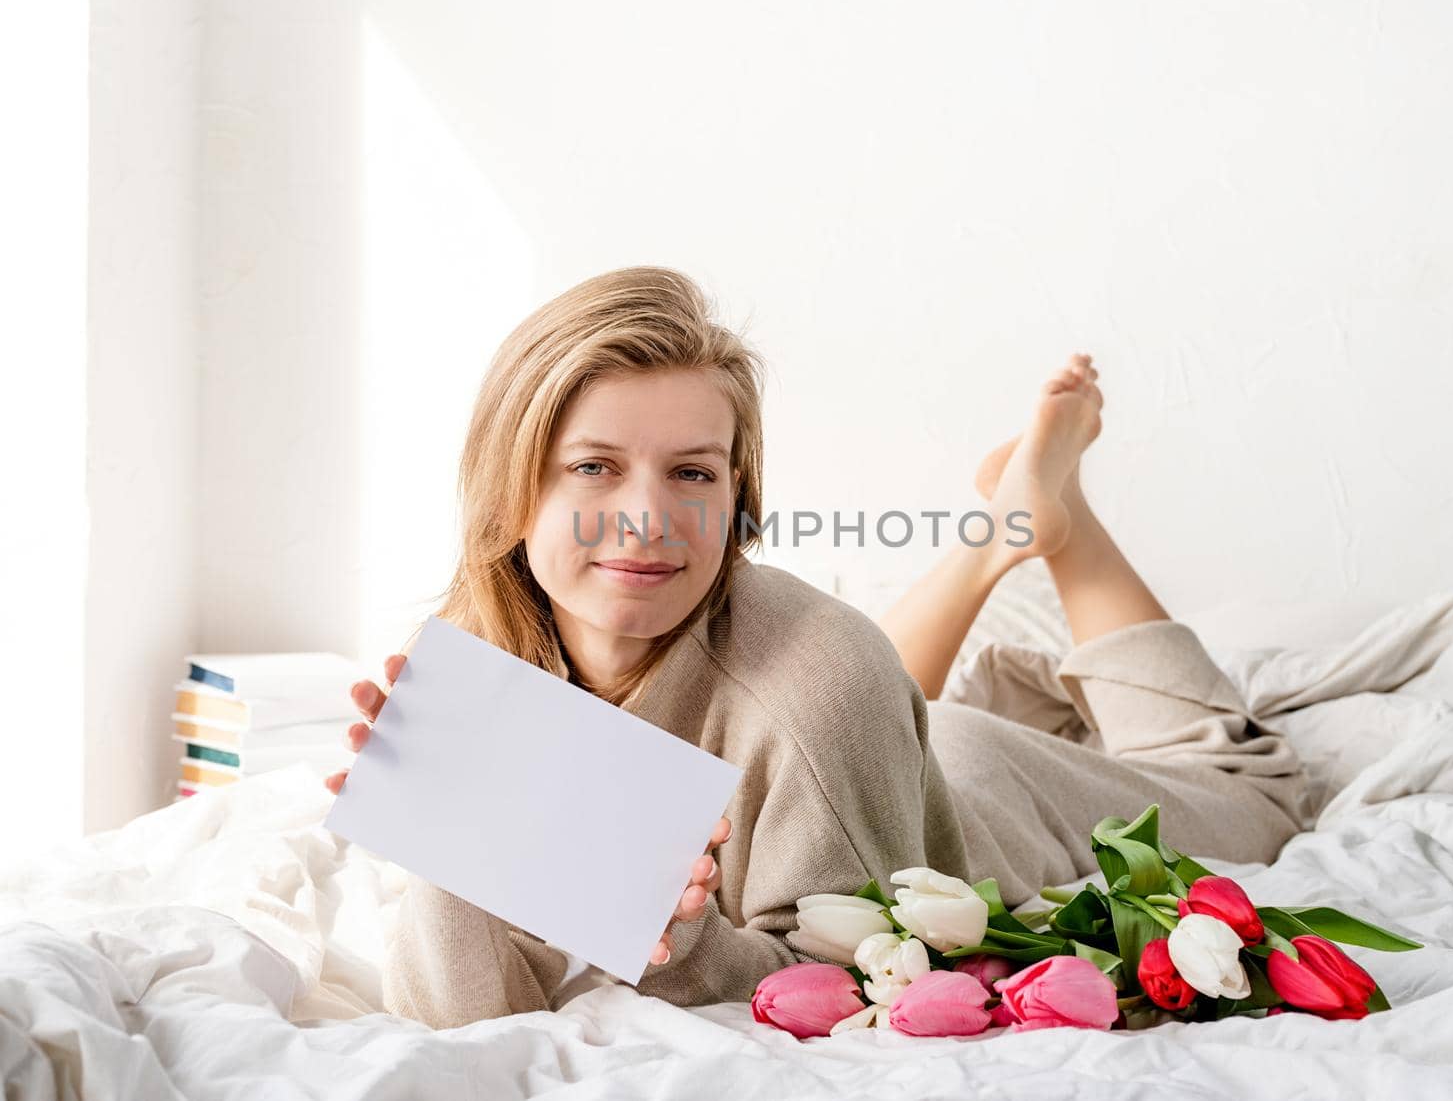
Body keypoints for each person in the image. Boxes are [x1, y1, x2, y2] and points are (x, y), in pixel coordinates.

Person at [324, 266, 1307, 1029]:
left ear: (737, 500)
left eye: (693, 473)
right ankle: (998, 534)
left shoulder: (820, 687)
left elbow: (856, 984)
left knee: (1247, 788)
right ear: (510, 491)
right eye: (593, 466)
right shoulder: (470, 654)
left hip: (970, 794)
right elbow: (454, 1027)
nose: (648, 518)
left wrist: (689, 943)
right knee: (829, 700)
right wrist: (444, 849)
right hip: (864, 741)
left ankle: (1053, 524)